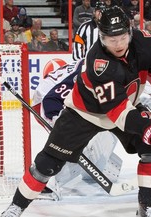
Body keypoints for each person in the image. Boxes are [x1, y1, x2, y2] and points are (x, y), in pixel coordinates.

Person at [0, 6, 151, 217]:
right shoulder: (99, 64)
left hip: (126, 105)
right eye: (110, 39)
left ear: (130, 30)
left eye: (123, 37)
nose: (118, 44)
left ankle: (146, 210)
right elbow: (118, 113)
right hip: (85, 113)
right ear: (101, 37)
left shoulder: (144, 42)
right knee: (48, 164)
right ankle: (16, 205)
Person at [31, 59, 123, 200]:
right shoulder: (77, 70)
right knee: (62, 143)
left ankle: (99, 164)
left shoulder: (77, 70)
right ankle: (47, 182)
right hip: (46, 104)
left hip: (52, 102)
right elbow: (50, 100)